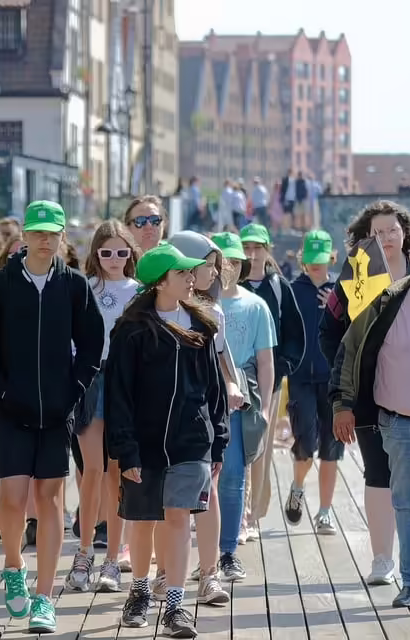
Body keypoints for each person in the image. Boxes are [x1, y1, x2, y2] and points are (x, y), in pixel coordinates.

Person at [0, 200, 104, 633]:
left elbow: (91, 344)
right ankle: (13, 565)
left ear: (63, 236)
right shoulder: (0, 285)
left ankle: (44, 597)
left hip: (57, 412)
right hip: (10, 411)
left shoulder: (75, 286)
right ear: (24, 236)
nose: (46, 240)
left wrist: (75, 388)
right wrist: (1, 390)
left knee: (49, 500)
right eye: (38, 232)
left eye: (53, 232)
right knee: (11, 499)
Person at [107, 244, 228, 637]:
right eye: (183, 273)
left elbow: (214, 390)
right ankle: (139, 591)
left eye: (192, 273)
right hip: (142, 444)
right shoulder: (130, 330)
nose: (192, 278)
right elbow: (119, 396)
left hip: (192, 441)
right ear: (161, 281)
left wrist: (218, 438)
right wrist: (125, 450)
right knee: (143, 521)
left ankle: (176, 603)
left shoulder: (203, 326)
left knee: (178, 518)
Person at [332, 225, 410, 613]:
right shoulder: (386, 302)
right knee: (409, 504)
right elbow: (350, 352)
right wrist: (342, 404)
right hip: (398, 423)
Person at [321, 200, 410, 585]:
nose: (387, 237)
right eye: (378, 231)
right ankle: (381, 559)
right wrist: (350, 373)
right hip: (368, 396)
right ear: (367, 236)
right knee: (379, 472)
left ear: (405, 232)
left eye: (393, 229)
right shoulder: (356, 274)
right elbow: (328, 331)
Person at [66, 219, 140, 594]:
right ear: (96, 253)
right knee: (90, 469)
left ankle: (113, 557)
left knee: (116, 472)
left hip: (125, 382)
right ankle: (82, 552)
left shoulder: (140, 292)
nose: (113, 258)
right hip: (90, 377)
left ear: (131, 253)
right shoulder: (84, 288)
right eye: (106, 252)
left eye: (121, 252)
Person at [168, 230, 238, 606]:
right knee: (167, 503)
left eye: (215, 265)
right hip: (161, 421)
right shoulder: (152, 309)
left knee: (206, 493)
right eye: (206, 265)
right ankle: (165, 573)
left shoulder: (214, 313)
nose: (213, 272)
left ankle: (208, 574)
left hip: (203, 418)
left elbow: (220, 366)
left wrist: (230, 395)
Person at [212, 232, 276, 582]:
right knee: (200, 474)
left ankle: (227, 552)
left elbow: (266, 362)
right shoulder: (196, 302)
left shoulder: (256, 306)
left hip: (241, 395)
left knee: (234, 473)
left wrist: (266, 408)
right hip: (203, 392)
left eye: (236, 262)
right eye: (223, 262)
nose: (229, 268)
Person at [238, 223, 305, 537]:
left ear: (267, 250)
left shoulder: (278, 286)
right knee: (235, 447)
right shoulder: (231, 284)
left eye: (257, 248)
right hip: (234, 378)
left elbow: (295, 332)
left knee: (260, 447)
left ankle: (252, 513)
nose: (252, 255)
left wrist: (284, 366)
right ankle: (236, 509)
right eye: (246, 248)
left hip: (269, 380)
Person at [284, 231, 343, 535]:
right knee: (305, 444)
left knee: (331, 449)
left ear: (332, 258)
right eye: (311, 261)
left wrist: (339, 307)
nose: (316, 267)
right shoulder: (292, 290)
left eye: (322, 261)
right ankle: (297, 486)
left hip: (334, 381)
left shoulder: (343, 290)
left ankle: (324, 513)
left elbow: (354, 329)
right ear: (303, 259)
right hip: (300, 380)